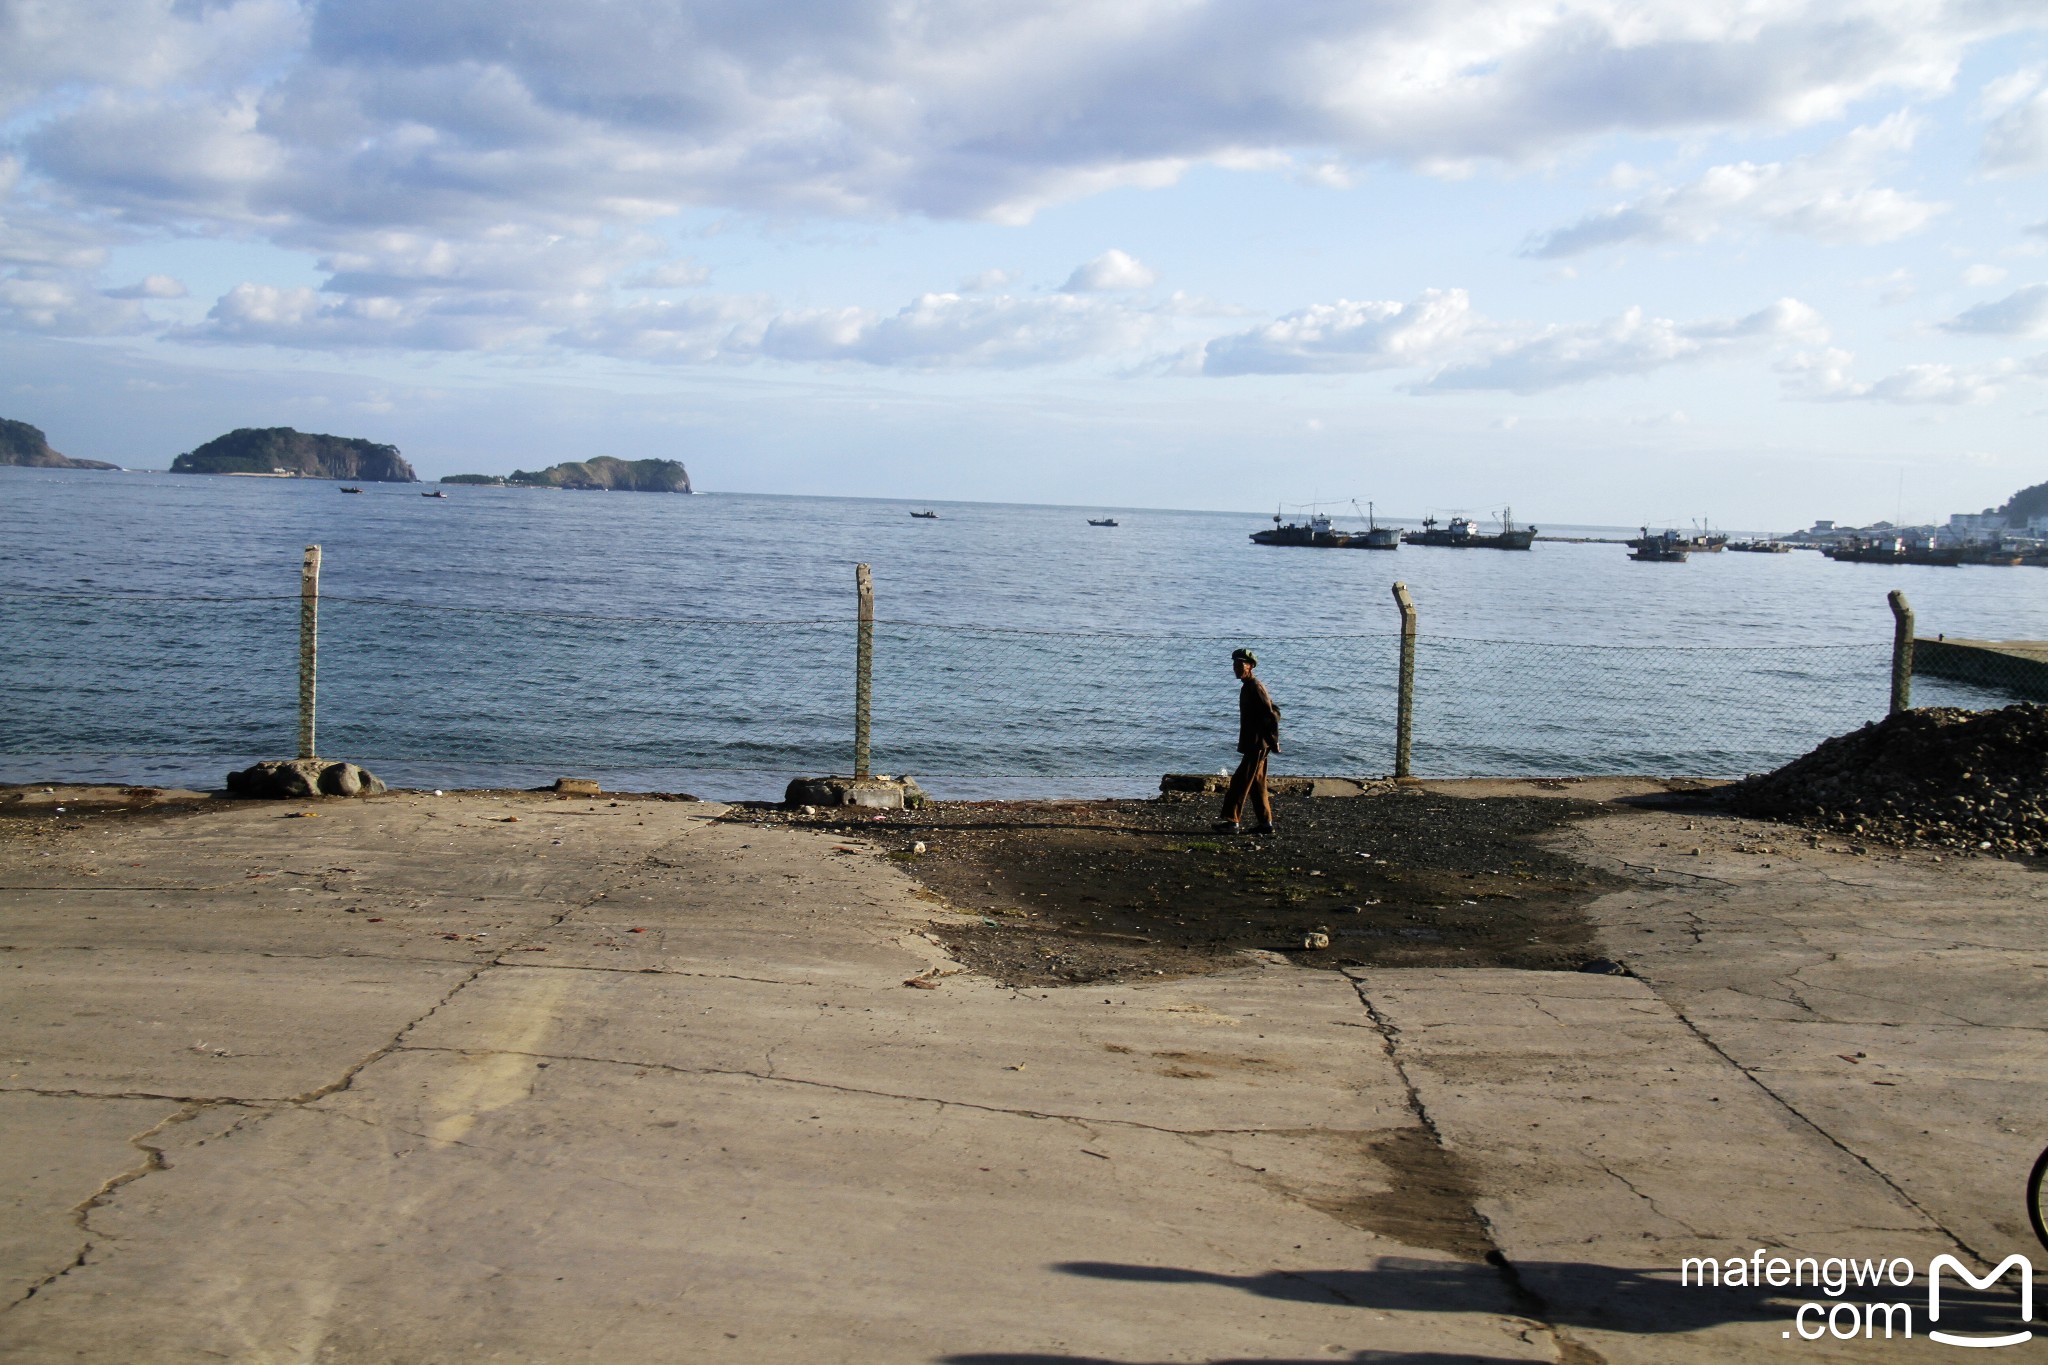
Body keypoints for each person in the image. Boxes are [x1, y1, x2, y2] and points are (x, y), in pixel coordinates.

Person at [1217, 647, 1280, 835]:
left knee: (1239, 783)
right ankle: (1265, 823)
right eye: (1234, 664)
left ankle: (1232, 822)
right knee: (1257, 784)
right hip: (1256, 744)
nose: (1235, 668)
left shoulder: (1255, 687)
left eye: (1239, 665)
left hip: (1257, 745)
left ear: (1250, 666)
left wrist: (1273, 740)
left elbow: (1271, 715)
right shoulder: (1248, 687)